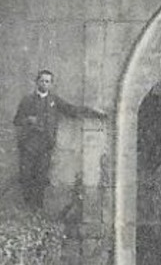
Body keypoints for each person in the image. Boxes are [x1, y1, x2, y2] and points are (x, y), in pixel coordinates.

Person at [13, 69, 107, 212]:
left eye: (48, 81)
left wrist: (94, 113)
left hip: (45, 147)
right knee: (26, 177)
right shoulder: (27, 100)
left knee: (41, 178)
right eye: (42, 81)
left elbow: (72, 110)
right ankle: (26, 209)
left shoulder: (54, 101)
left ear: (51, 84)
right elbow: (17, 120)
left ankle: (37, 210)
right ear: (37, 82)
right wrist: (28, 120)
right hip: (29, 146)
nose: (45, 84)